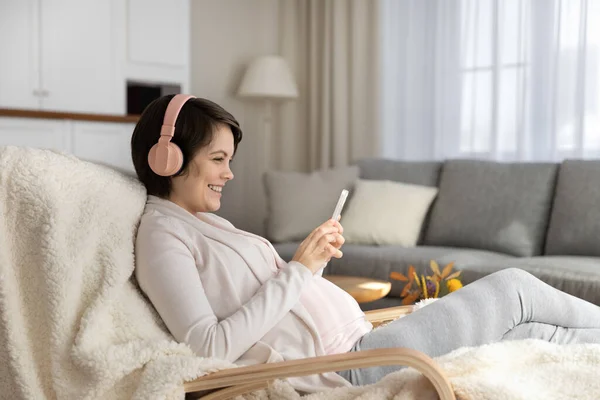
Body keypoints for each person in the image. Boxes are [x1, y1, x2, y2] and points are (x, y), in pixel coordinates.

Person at [131, 94, 600, 392]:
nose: (229, 173)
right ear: (168, 157)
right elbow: (208, 345)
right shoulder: (163, 234)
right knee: (514, 287)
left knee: (540, 335)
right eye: (217, 159)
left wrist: (310, 265)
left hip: (366, 341)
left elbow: (279, 304)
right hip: (352, 364)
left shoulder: (203, 226)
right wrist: (299, 269)